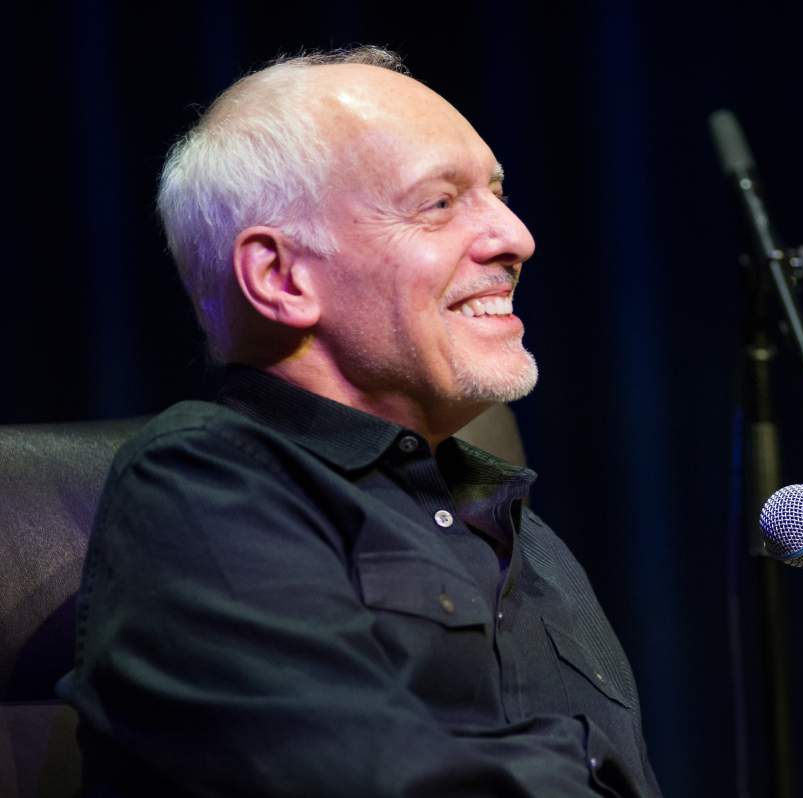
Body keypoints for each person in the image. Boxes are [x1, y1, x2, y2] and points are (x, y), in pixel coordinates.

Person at [57, 46, 661, 797]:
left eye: (498, 194)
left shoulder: (526, 535)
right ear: (281, 278)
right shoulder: (204, 483)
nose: (516, 237)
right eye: (438, 203)